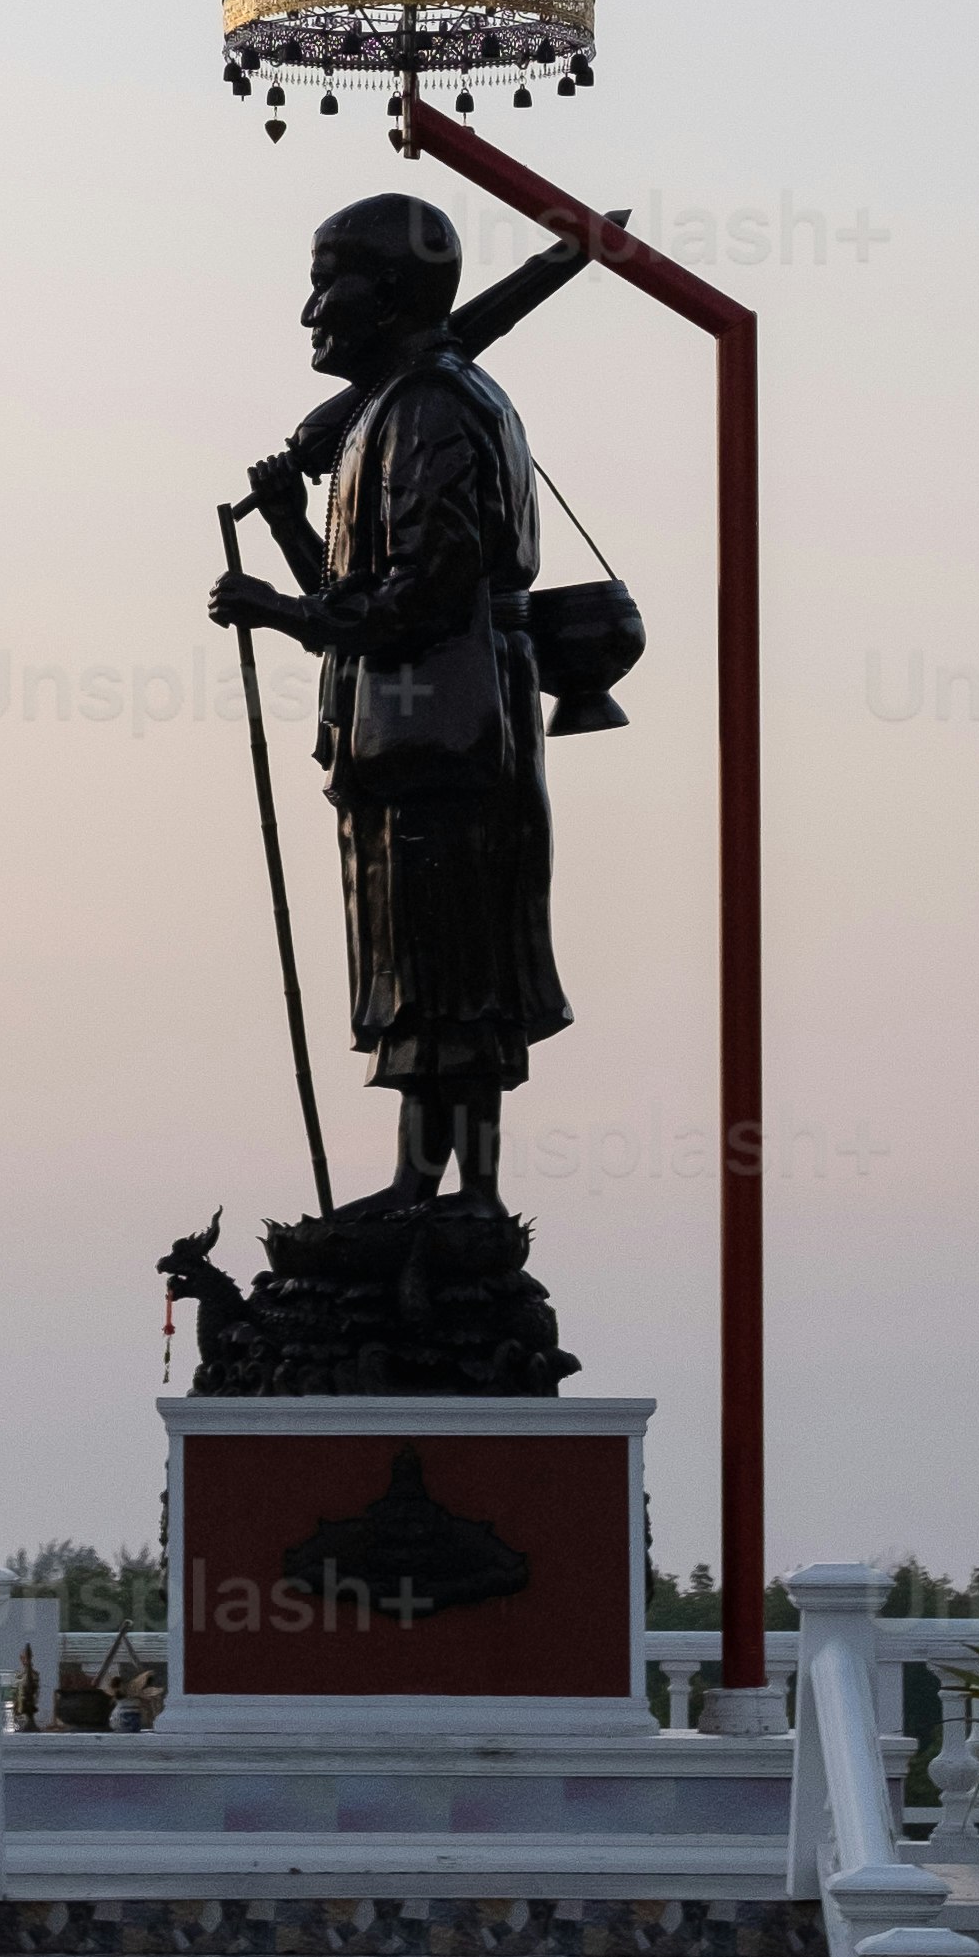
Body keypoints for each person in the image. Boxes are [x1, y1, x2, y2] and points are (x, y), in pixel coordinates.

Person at [209, 189, 569, 1206]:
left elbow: (422, 597)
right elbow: (357, 593)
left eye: (328, 284)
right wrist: (292, 525)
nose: (309, 312)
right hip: (414, 733)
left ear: (392, 292)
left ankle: (463, 1194)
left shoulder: (429, 408)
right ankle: (427, 1182)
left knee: (455, 964)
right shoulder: (401, 404)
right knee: (420, 966)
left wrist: (277, 609)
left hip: (447, 733)